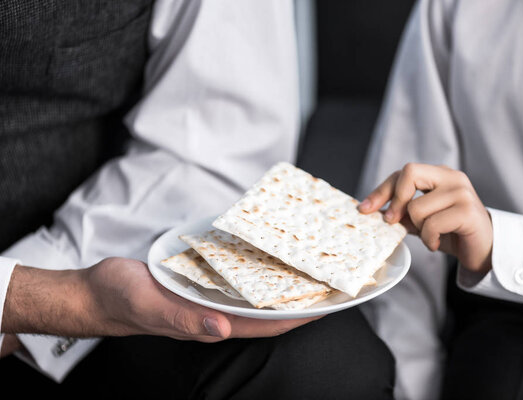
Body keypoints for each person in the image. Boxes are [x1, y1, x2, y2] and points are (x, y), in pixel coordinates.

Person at [0, 1, 395, 398]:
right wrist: (63, 300)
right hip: (77, 292)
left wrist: (69, 284)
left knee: (323, 363)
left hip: (92, 245)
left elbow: (213, 141)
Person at [357, 0, 523, 399]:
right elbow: (400, 238)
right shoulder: (451, 8)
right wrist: (408, 387)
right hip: (508, 321)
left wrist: (502, 246)